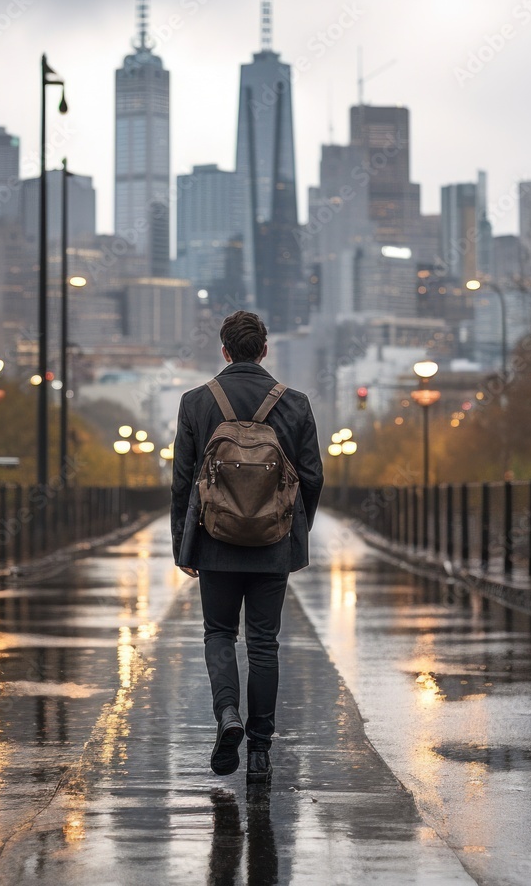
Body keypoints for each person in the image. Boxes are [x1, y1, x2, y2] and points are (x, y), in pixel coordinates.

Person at [170, 310, 324, 783]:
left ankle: (227, 714)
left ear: (224, 350)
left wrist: (184, 544)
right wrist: (294, 534)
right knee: (263, 644)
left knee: (219, 634)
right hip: (271, 544)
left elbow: (182, 481)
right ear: (264, 350)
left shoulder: (197, 402)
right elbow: (313, 477)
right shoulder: (294, 403)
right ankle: (260, 749)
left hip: (215, 541)